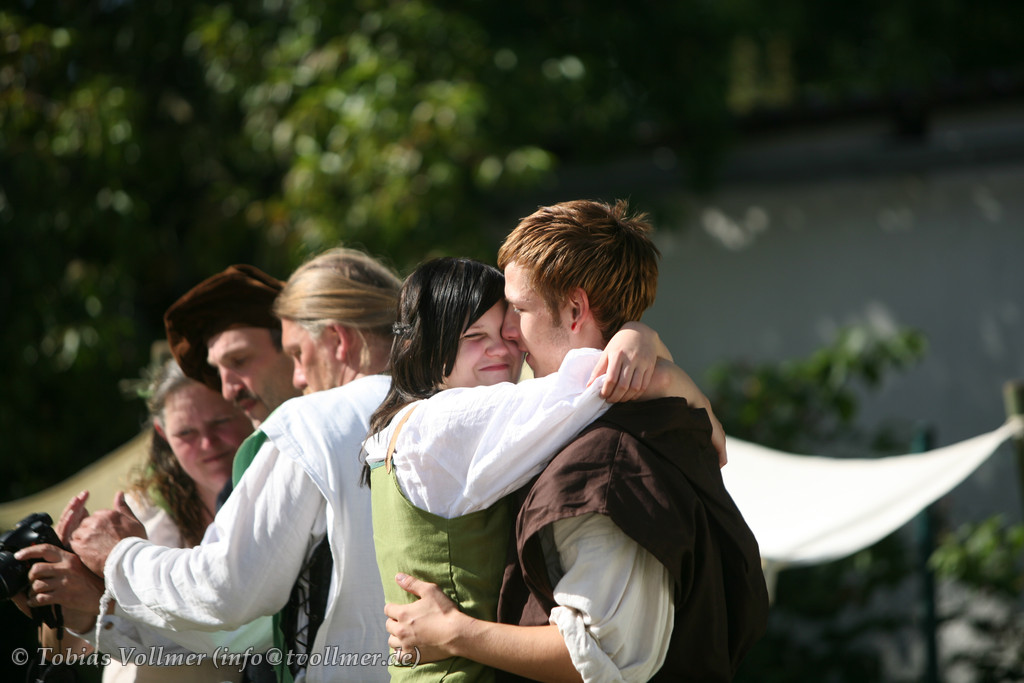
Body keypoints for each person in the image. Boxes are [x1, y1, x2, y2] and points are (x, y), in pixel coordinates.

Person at [383, 200, 769, 682]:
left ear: (574, 309)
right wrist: (655, 353)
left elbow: (595, 656)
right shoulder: (600, 430)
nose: (509, 333)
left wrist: (456, 634)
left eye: (518, 309)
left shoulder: (606, 462)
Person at [62, 247, 404, 683]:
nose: (299, 377)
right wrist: (98, 608)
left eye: (297, 353)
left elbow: (227, 591)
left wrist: (120, 555)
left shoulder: (308, 423)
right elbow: (244, 633)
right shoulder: (454, 404)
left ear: (338, 340)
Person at [16, 358, 253, 682]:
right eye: (186, 432)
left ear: (247, 411)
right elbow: (63, 652)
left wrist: (106, 597)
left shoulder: (272, 507)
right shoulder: (136, 515)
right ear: (162, 433)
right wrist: (54, 593)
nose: (207, 443)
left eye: (220, 422)